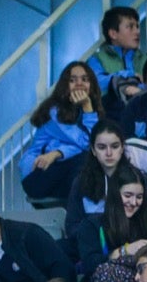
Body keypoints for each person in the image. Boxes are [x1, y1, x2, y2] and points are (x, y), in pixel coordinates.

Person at [19, 61, 102, 206]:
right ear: (64, 86)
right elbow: (88, 144)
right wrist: (88, 107)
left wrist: (58, 153)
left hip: (63, 172)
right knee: (86, 158)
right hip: (37, 174)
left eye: (85, 79)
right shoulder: (55, 111)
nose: (79, 84)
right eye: (72, 80)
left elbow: (95, 145)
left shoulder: (91, 112)